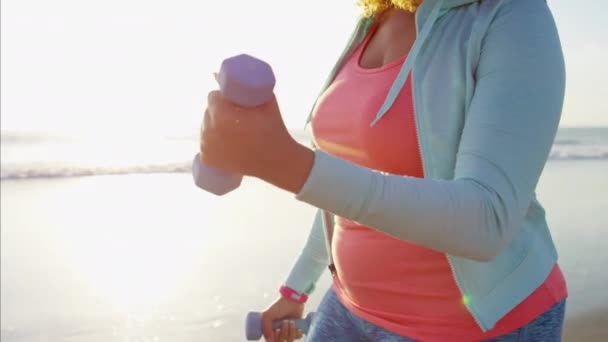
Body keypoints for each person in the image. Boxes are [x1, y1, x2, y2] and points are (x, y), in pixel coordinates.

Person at [198, 0, 568, 340]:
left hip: (468, 327)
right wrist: (296, 288)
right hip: (347, 308)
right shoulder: (375, 18)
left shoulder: (512, 14)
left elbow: (486, 220)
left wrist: (287, 164)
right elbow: (344, 186)